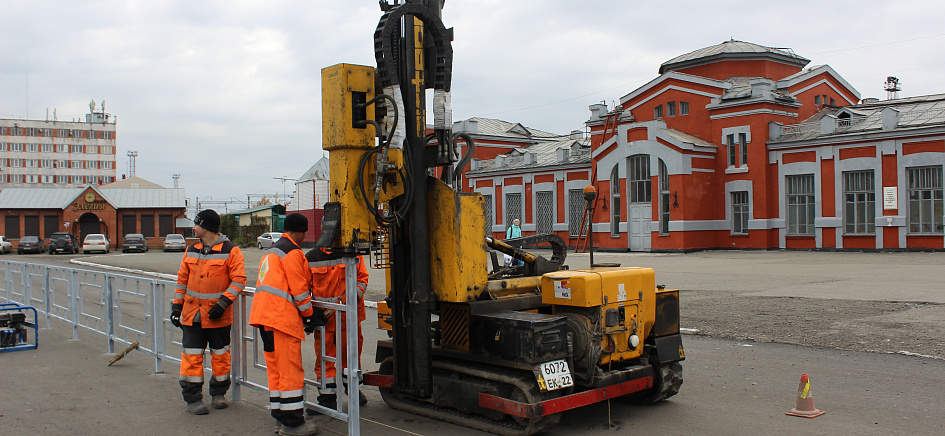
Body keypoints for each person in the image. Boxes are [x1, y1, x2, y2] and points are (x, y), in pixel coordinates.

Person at [249, 213, 321, 436]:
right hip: (281, 320)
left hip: (264, 318)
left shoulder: (272, 251)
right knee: (290, 370)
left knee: (276, 370)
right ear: (300, 232)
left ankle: (281, 417)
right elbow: (299, 290)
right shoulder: (293, 253)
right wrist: (309, 314)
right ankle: (293, 423)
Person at [171, 209, 246, 415]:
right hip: (191, 315)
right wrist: (177, 306)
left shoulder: (231, 251)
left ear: (207, 227)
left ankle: (219, 394)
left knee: (220, 356)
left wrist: (222, 304)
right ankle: (193, 399)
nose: (193, 228)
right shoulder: (191, 249)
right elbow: (182, 280)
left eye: (196, 225)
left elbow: (239, 281)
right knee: (191, 357)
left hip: (218, 316)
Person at [305, 244, 370, 409]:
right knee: (325, 360)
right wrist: (309, 314)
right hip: (325, 322)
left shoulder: (352, 252)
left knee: (351, 357)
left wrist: (344, 301)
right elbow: (303, 288)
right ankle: (327, 399)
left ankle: (352, 390)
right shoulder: (312, 257)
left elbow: (362, 280)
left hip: (349, 318)